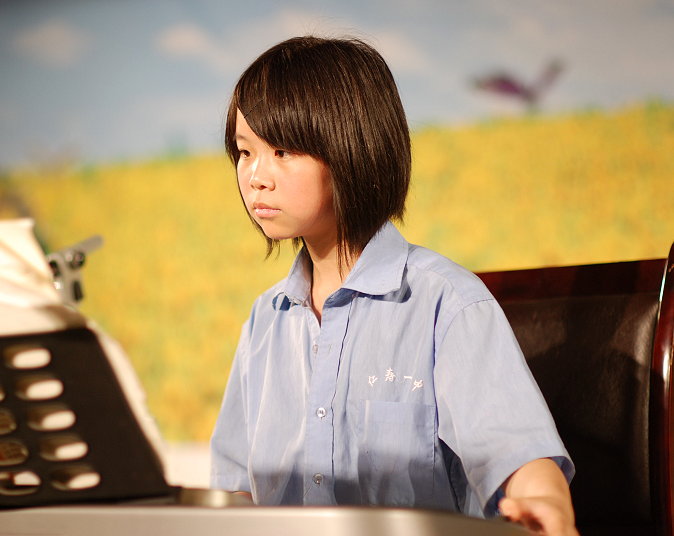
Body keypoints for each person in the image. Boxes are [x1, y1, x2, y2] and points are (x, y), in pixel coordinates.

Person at [210, 35, 578, 536]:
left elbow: (518, 456)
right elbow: (235, 489)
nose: (255, 176)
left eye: (281, 150)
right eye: (244, 152)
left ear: (352, 148)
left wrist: (545, 502)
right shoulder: (264, 320)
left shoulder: (448, 304)